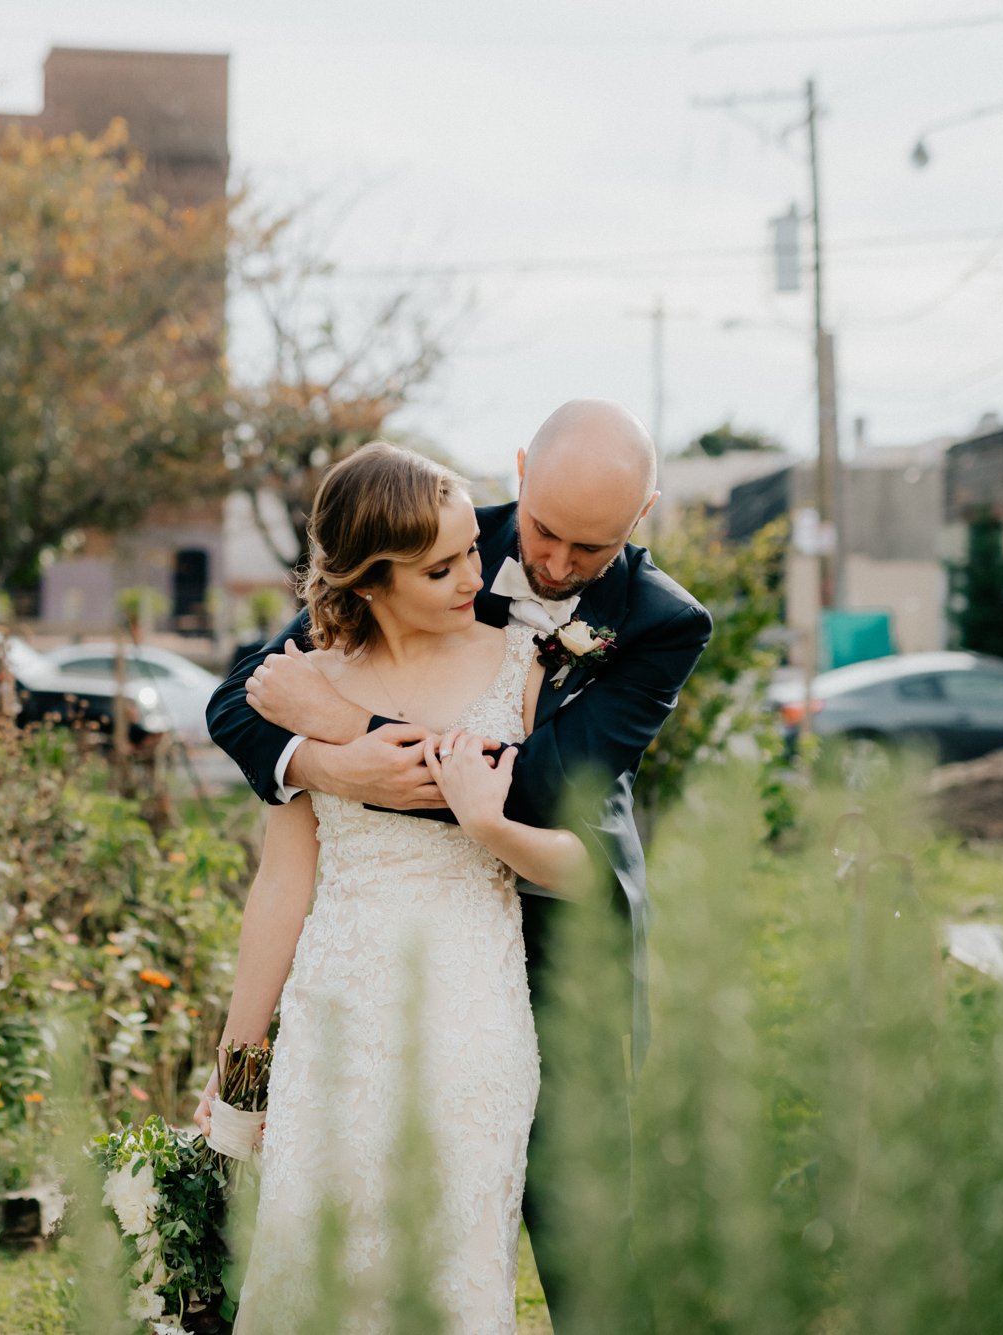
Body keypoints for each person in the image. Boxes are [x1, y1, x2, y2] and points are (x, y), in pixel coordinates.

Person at [200, 401, 712, 1324]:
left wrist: (354, 730)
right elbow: (247, 695)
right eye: (545, 531)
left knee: (584, 1231)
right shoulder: (431, 537)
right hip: (357, 968)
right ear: (518, 470)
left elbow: (544, 787)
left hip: (558, 939)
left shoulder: (662, 621)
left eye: (589, 549)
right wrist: (320, 763)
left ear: (641, 519)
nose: (553, 565)